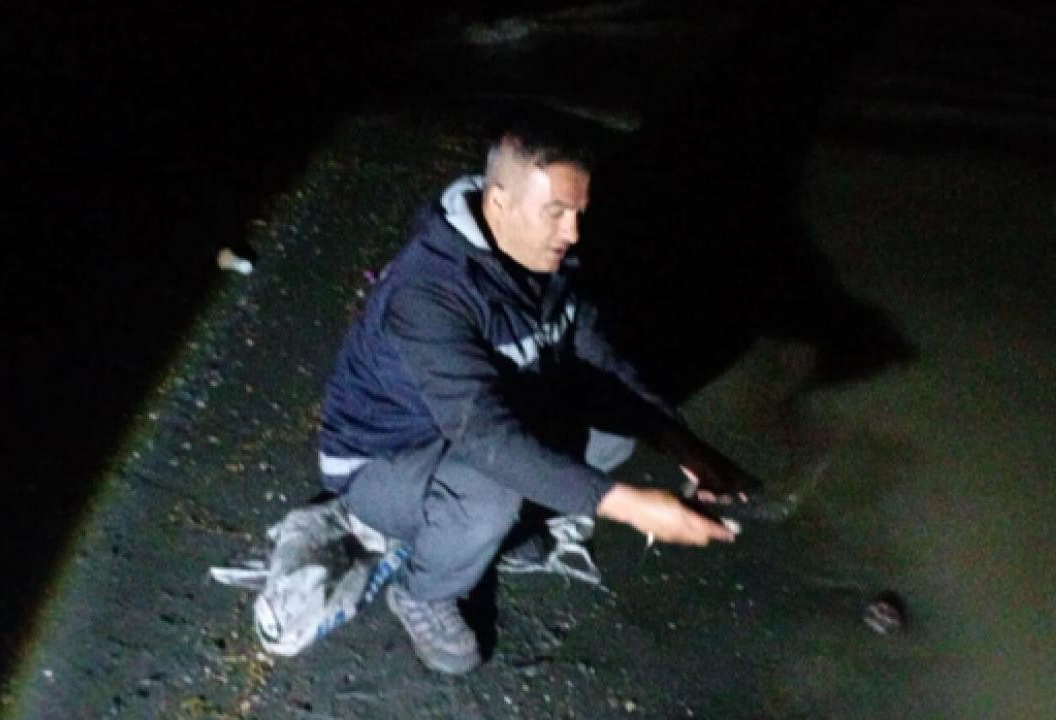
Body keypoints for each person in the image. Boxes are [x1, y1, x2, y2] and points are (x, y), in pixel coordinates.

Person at [316, 114, 758, 675]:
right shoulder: (428, 293)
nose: (572, 232)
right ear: (499, 203)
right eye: (556, 212)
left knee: (611, 436)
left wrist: (680, 443)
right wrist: (629, 505)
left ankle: (486, 534)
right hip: (380, 459)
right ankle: (422, 591)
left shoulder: (546, 257)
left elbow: (598, 360)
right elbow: (487, 438)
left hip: (476, 422)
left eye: (579, 213)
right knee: (492, 492)